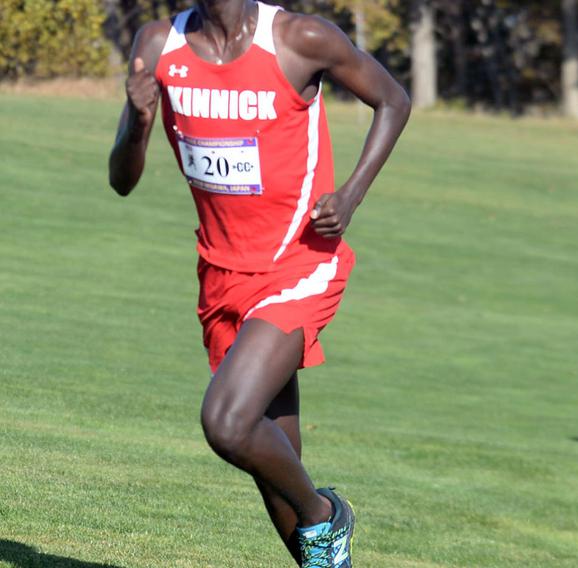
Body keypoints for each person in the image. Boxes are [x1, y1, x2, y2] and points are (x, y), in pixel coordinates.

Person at [108, 1, 410, 565]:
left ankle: (326, 515)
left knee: (228, 422)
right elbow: (121, 180)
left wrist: (350, 195)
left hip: (300, 266)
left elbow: (393, 99)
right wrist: (140, 122)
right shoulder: (156, 46)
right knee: (273, 462)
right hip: (221, 274)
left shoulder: (301, 38)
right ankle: (323, 556)